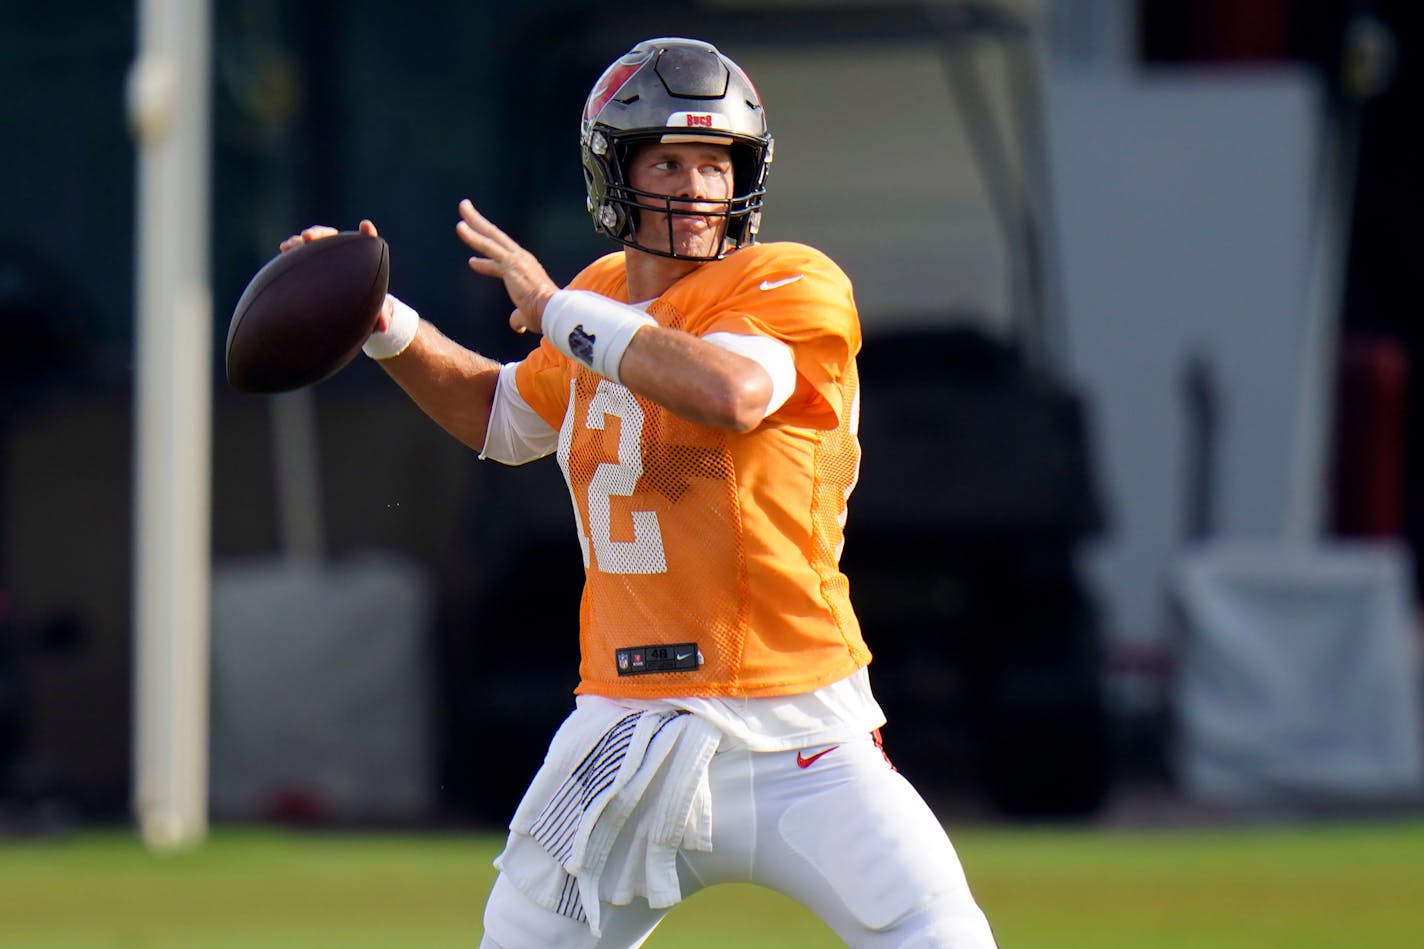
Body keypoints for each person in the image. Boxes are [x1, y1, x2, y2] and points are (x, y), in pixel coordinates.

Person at [282, 36, 996, 949]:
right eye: (670, 159)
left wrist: (559, 313)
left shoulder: (788, 281)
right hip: (629, 727)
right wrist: (388, 327)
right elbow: (504, 417)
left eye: (714, 162)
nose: (697, 186)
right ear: (614, 171)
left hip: (801, 728)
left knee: (942, 938)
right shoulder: (599, 296)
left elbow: (729, 392)